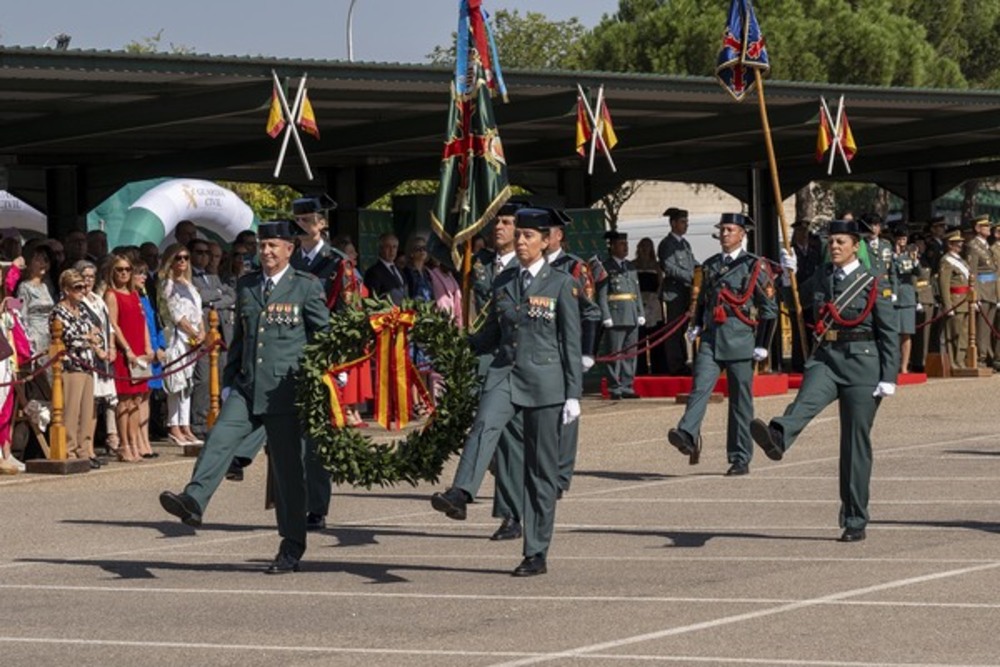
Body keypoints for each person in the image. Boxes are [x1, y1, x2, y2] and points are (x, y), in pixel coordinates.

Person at [160, 219, 329, 575]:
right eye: (262, 246)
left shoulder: (305, 288)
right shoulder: (249, 285)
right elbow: (242, 337)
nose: (265, 252)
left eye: (273, 246)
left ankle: (292, 545)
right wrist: (230, 379)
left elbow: (324, 337)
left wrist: (324, 379)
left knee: (287, 476)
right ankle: (194, 500)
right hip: (248, 385)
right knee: (219, 439)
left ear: (289, 249)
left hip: (287, 392)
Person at [430, 207, 582, 576]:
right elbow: (491, 336)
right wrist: (454, 345)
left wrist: (573, 395)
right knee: (484, 424)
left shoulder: (561, 283)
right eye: (519, 235)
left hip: (546, 383)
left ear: (546, 242)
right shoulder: (502, 281)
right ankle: (461, 493)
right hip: (505, 373)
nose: (521, 241)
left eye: (529, 236)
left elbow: (570, 341)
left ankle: (536, 551)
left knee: (540, 472)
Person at [751, 219, 899, 542]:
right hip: (827, 358)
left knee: (854, 445)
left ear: (855, 245)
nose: (834, 247)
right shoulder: (822, 276)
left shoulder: (874, 281)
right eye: (831, 242)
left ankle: (855, 518)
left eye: (840, 242)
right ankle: (778, 435)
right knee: (805, 399)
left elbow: (889, 332)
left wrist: (889, 375)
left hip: (863, 364)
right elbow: (795, 303)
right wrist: (786, 278)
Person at [666, 213, 777, 476]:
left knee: (740, 402)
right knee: (700, 387)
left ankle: (739, 456)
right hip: (712, 338)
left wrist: (763, 344)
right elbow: (705, 299)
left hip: (740, 339)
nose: (724, 234)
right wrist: (695, 324)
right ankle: (688, 434)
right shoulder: (710, 265)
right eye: (722, 230)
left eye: (729, 229)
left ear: (742, 234)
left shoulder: (755, 266)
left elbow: (769, 308)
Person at [544, 211, 602, 500]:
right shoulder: (530, 265)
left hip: (568, 349)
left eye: (547, 232)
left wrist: (587, 351)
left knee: (566, 416)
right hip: (540, 350)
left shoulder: (574, 267)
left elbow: (591, 310)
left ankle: (560, 476)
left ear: (558, 236)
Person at [50, 269, 103, 469]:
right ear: (66, 289)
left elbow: (97, 333)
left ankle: (84, 450)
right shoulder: (59, 311)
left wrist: (91, 338)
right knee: (71, 411)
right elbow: (69, 338)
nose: (82, 291)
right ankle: (70, 449)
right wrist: (88, 338)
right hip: (71, 366)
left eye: (83, 287)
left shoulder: (82, 310)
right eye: (77, 288)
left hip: (87, 364)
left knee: (87, 410)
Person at [105, 253, 154, 462]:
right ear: (113, 272)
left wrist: (148, 346)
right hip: (125, 351)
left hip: (139, 350)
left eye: (127, 270)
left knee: (137, 399)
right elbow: (113, 324)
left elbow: (142, 322)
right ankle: (124, 444)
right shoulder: (112, 294)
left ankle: (135, 442)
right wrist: (127, 349)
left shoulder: (134, 294)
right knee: (124, 401)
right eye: (120, 270)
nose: (124, 273)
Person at [188, 238, 236, 441]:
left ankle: (221, 418)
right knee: (204, 379)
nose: (204, 257)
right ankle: (200, 422)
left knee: (223, 377)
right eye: (199, 252)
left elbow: (231, 295)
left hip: (222, 335)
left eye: (207, 253)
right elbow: (197, 297)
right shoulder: (190, 277)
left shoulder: (213, 277)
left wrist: (214, 299)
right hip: (203, 335)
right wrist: (217, 297)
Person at [157, 243, 203, 445]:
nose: (182, 261)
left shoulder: (189, 284)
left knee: (188, 383)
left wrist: (201, 332)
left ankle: (186, 425)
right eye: (178, 258)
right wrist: (193, 332)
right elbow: (176, 315)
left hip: (193, 338)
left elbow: (198, 311)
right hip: (177, 337)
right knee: (176, 381)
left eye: (185, 258)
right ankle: (174, 425)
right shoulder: (167, 283)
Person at [75, 259, 119, 461]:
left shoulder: (96, 298)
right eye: (85, 277)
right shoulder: (77, 301)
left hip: (103, 356)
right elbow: (84, 329)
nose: (88, 281)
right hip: (87, 357)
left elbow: (107, 325)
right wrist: (97, 349)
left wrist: (110, 347)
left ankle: (90, 446)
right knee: (88, 403)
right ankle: (85, 446)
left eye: (92, 277)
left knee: (100, 402)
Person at [598, 231, 644, 400]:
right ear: (612, 246)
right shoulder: (606, 267)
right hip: (616, 315)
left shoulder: (630, 267)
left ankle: (627, 385)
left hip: (631, 314)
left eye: (626, 244)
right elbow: (602, 294)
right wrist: (606, 315)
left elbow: (636, 291)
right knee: (614, 353)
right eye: (621, 244)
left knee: (630, 353)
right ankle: (614, 386)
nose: (626, 247)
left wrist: (640, 312)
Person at [657, 207, 697, 375]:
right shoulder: (666, 244)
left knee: (682, 329)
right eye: (682, 222)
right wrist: (690, 276)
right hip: (673, 293)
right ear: (673, 223)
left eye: (686, 222)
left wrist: (701, 271)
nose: (686, 225)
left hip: (686, 292)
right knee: (673, 331)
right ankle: (675, 365)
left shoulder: (684, 244)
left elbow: (693, 263)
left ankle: (683, 361)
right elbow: (668, 267)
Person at [133, 260, 164, 457]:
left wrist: (160, 346)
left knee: (147, 397)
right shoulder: (132, 297)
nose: (144, 277)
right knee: (136, 398)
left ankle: (145, 439)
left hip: (153, 349)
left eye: (145, 273)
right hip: (140, 350)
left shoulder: (146, 296)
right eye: (140, 273)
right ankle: (136, 440)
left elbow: (156, 322)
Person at [962, 214, 997, 370]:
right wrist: (974, 294)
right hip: (982, 290)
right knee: (982, 328)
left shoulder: (986, 246)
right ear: (977, 228)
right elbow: (973, 272)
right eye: (985, 226)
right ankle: (981, 359)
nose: (989, 228)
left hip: (992, 290)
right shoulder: (973, 246)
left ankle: (987, 356)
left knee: (988, 327)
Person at [788, 218, 823, 372]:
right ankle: (798, 362)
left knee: (813, 328)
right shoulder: (791, 252)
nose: (803, 235)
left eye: (805, 232)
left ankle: (812, 357)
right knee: (798, 329)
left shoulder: (815, 251)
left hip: (812, 295)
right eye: (800, 232)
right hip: (798, 294)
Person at [16, 243, 56, 360]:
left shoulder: (45, 286)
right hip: (35, 337)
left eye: (45, 260)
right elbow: (22, 314)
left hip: (49, 335)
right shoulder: (24, 287)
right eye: (38, 260)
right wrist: (28, 339)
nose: (43, 264)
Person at [939, 229, 972, 368]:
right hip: (955, 300)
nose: (960, 245)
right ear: (950, 244)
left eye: (960, 243)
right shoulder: (946, 261)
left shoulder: (962, 261)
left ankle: (961, 359)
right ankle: (953, 362)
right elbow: (944, 284)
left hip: (965, 300)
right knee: (954, 333)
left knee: (964, 333)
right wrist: (948, 305)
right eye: (957, 243)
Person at [891, 225, 920, 373]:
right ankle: (894, 365)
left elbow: (917, 272)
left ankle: (904, 366)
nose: (902, 242)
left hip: (907, 295)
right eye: (899, 239)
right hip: (894, 296)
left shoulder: (910, 254)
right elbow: (892, 272)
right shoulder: (890, 254)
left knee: (907, 332)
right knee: (894, 333)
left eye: (904, 239)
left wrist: (915, 261)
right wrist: (895, 258)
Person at [633, 237, 664, 375]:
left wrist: (655, 297)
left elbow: (661, 283)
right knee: (639, 338)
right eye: (643, 246)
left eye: (648, 246)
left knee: (655, 336)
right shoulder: (633, 265)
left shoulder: (656, 265)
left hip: (653, 302)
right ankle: (640, 369)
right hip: (637, 302)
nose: (645, 249)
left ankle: (658, 368)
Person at [364, 233, 407, 304]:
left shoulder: (400, 271)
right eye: (388, 247)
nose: (392, 250)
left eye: (394, 247)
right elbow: (372, 300)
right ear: (380, 248)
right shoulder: (373, 272)